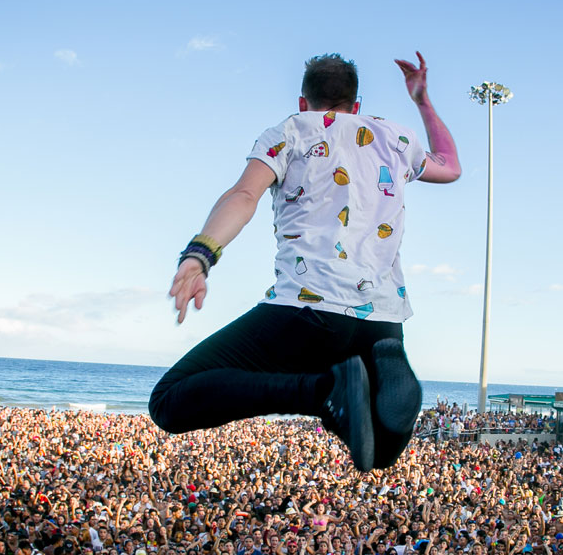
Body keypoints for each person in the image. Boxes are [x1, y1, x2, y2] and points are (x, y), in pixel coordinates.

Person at [149, 52, 461, 472]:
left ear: (303, 102)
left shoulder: (291, 131)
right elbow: (451, 167)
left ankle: (320, 393)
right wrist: (422, 100)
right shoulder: (396, 138)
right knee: (378, 455)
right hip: (382, 322)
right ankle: (382, 365)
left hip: (307, 308)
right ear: (356, 105)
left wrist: (200, 255)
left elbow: (244, 196)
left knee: (169, 400)